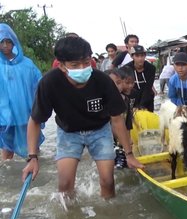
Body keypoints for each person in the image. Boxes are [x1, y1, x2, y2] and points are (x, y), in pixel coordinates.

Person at [22, 36, 143, 199]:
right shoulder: (49, 82)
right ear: (62, 65)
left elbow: (117, 119)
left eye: (86, 62)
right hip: (69, 133)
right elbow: (35, 120)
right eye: (74, 65)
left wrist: (129, 154)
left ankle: (109, 217)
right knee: (64, 186)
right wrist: (32, 158)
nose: (82, 68)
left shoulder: (102, 80)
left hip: (100, 130)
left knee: (108, 181)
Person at [0, 23, 45, 160]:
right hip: (4, 118)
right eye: (2, 42)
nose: (5, 45)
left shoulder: (27, 64)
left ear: (14, 43)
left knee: (33, 150)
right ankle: (8, 180)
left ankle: (35, 177)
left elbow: (40, 86)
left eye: (9, 41)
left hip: (26, 114)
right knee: (7, 153)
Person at [106, 66, 135, 169]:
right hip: (107, 142)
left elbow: (127, 123)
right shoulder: (103, 103)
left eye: (118, 83)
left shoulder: (126, 101)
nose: (116, 87)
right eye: (111, 83)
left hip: (121, 142)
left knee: (124, 166)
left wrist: (128, 141)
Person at [125, 45, 156, 112]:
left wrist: (141, 105)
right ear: (132, 56)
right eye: (137, 56)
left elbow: (148, 87)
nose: (140, 58)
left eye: (142, 55)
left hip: (147, 97)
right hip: (132, 98)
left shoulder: (151, 68)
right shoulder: (126, 68)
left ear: (145, 56)